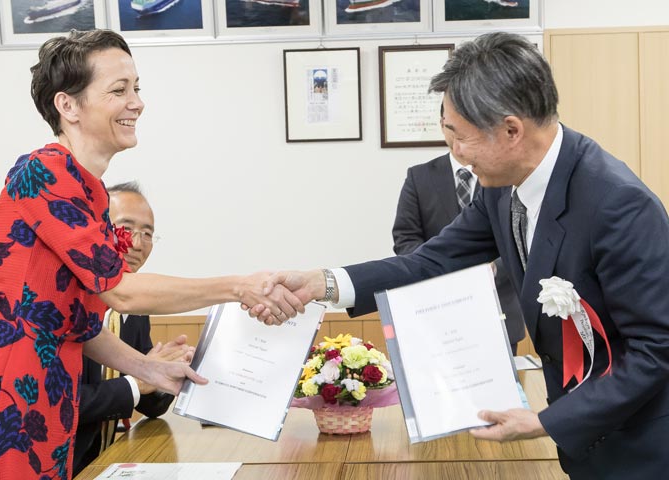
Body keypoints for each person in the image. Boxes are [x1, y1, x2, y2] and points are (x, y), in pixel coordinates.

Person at [255, 32, 669, 479]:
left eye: (459, 137)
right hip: (586, 446)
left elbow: (657, 349)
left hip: (641, 445)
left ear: (512, 130)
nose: (453, 152)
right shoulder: (501, 188)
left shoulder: (618, 204)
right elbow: (430, 262)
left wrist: (546, 422)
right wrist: (324, 282)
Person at [0, 29, 303, 480]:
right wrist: (238, 286)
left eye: (137, 89)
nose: (137, 102)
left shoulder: (89, 190)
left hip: (52, 390)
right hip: (14, 391)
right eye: (119, 90)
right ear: (69, 106)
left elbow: (75, 322)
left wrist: (145, 367)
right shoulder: (44, 171)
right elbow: (122, 292)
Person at [392, 104, 525, 354]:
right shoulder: (419, 176)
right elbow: (405, 238)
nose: (457, 140)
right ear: (443, 125)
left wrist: (494, 269)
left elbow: (519, 237)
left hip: (499, 308)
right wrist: (441, 273)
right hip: (436, 310)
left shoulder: (504, 176)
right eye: (452, 128)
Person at [73, 181, 185, 474]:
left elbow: (150, 406)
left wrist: (169, 370)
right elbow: (59, 404)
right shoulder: (64, 302)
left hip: (106, 464)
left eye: (147, 233)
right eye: (125, 228)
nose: (137, 243)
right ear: (94, 228)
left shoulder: (135, 308)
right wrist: (139, 381)